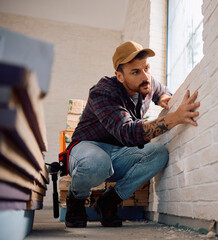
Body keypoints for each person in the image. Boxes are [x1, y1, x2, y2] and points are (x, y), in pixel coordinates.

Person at [65, 41, 200, 228]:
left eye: (147, 68)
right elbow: (127, 133)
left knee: (159, 153)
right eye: (135, 72)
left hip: (118, 153)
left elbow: (159, 89)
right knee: (97, 162)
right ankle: (76, 200)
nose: (145, 76)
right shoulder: (103, 92)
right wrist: (175, 118)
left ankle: (108, 202)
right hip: (88, 148)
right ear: (119, 76)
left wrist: (163, 98)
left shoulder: (145, 83)